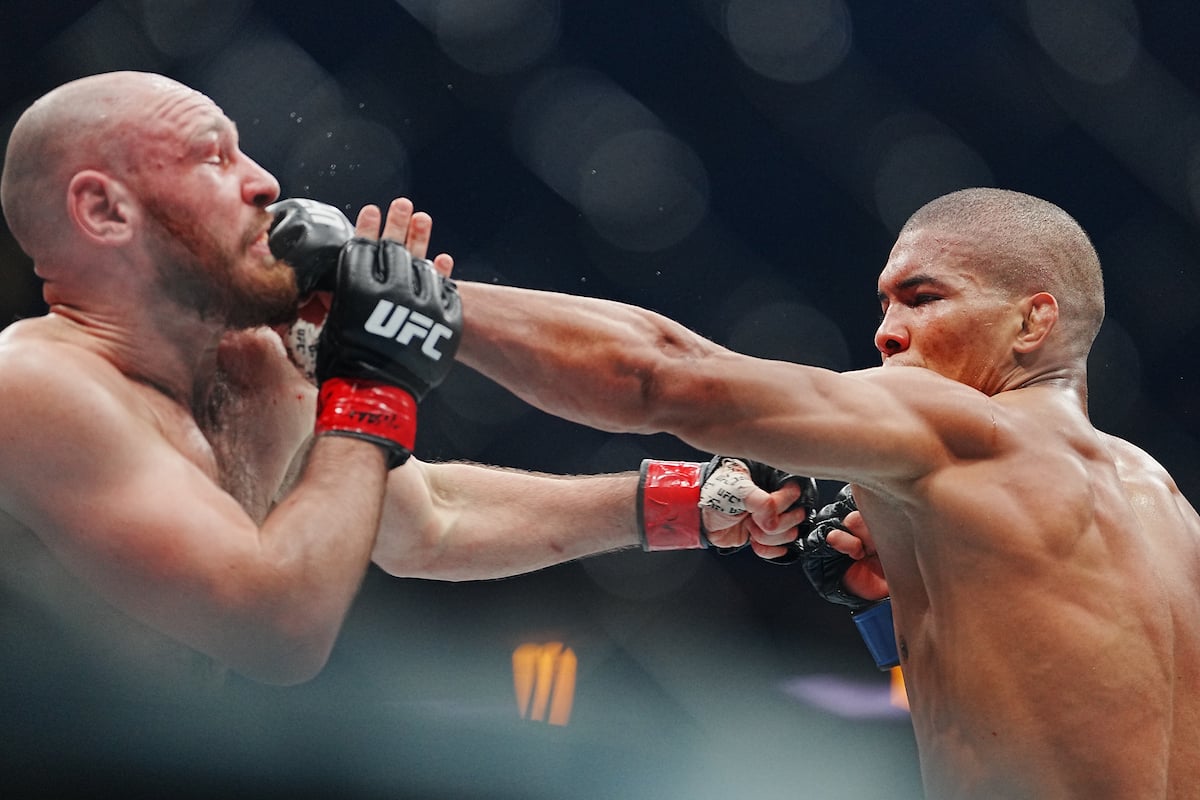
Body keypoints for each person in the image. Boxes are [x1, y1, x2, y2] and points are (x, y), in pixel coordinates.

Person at [0, 70, 807, 701]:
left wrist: (686, 499)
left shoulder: (253, 363)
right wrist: (368, 377)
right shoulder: (35, 384)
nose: (264, 181)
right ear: (104, 210)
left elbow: (428, 522)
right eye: (213, 157)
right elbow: (276, 631)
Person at [433, 187, 1200, 798]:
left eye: (924, 298)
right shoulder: (1168, 506)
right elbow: (1052, 709)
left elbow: (663, 375)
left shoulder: (969, 426)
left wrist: (427, 302)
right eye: (885, 305)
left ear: (1032, 322)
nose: (888, 332)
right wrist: (898, 607)